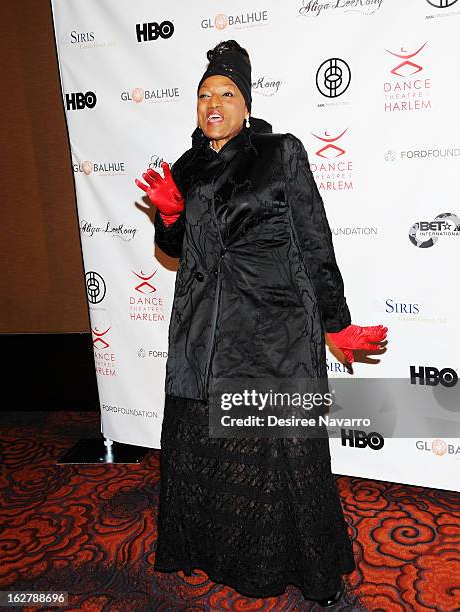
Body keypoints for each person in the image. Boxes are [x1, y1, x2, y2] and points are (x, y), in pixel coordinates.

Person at [135, 40, 387, 607]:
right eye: (204, 95)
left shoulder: (280, 153)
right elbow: (178, 249)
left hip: (274, 333)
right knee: (211, 451)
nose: (213, 103)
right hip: (203, 332)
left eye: (226, 93)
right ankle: (215, 553)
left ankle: (309, 571)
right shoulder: (187, 166)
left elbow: (314, 239)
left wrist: (335, 322)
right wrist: (170, 217)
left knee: (282, 452)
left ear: (246, 104)